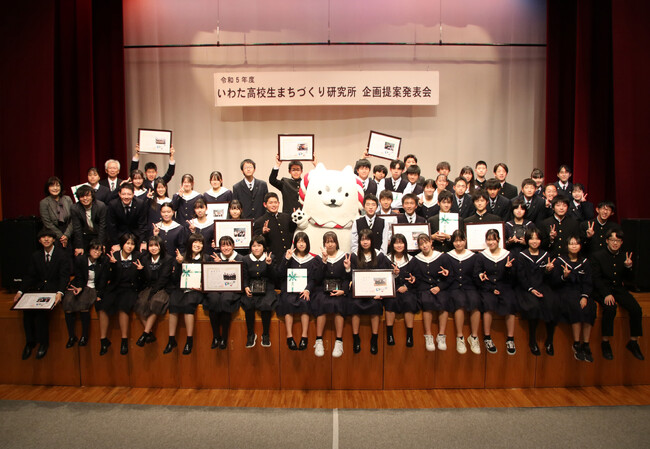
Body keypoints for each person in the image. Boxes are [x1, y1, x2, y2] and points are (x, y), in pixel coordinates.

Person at [13, 229, 70, 360]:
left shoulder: (62, 255)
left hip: (54, 290)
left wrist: (60, 292)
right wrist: (20, 291)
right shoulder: (36, 255)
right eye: (43, 237)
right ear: (39, 240)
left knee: (41, 313)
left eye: (49, 237)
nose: (46, 239)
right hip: (38, 289)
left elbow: (64, 276)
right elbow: (30, 276)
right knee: (27, 312)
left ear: (54, 239)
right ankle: (30, 342)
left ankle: (43, 343)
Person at [590, 229, 644, 360]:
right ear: (607, 241)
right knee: (610, 308)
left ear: (621, 242)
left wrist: (628, 267)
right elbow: (596, 279)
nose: (615, 243)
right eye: (613, 240)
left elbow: (630, 279)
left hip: (619, 289)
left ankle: (633, 342)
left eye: (618, 241)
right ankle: (605, 342)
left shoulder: (625, 256)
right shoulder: (597, 256)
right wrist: (606, 294)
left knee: (636, 309)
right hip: (602, 289)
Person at [515, 228, 560, 356]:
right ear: (527, 240)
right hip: (526, 288)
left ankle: (550, 340)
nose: (534, 241)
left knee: (552, 304)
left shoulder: (546, 255)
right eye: (531, 238)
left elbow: (549, 279)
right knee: (533, 306)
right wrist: (531, 289)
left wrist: (548, 271)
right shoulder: (522, 255)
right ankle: (532, 340)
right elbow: (521, 277)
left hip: (542, 286)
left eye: (537, 238)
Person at [552, 235, 596, 362]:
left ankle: (586, 344)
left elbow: (588, 282)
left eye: (576, 244)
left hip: (581, 291)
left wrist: (585, 296)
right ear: (567, 246)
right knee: (575, 306)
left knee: (590, 307)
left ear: (580, 246)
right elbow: (554, 282)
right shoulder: (560, 261)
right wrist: (564, 276)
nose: (574, 246)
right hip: (565, 291)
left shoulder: (585, 262)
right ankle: (576, 343)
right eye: (571, 244)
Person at [474, 229, 517, 355]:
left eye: (493, 239)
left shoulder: (508, 255)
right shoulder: (482, 256)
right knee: (488, 303)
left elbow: (513, 278)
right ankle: (487, 337)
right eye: (488, 240)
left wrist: (508, 269)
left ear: (498, 240)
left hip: (504, 286)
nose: (491, 242)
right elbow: (476, 274)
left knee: (510, 302)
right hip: (487, 287)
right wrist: (482, 277)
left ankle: (510, 339)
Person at [349, 229, 392, 354]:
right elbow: (350, 276)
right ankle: (356, 338)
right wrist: (348, 271)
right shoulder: (354, 256)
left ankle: (374, 338)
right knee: (354, 305)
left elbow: (384, 276)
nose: (365, 242)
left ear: (372, 241)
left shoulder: (380, 256)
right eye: (362, 239)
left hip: (375, 294)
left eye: (367, 239)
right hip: (359, 293)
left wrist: (380, 292)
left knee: (376, 305)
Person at [276, 232, 322, 350]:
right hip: (290, 290)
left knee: (305, 302)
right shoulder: (289, 256)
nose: (301, 244)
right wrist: (286, 259)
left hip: (304, 290)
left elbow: (313, 278)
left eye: (304, 241)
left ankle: (304, 336)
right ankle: (289, 337)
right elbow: (280, 273)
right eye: (299, 242)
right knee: (287, 301)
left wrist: (307, 290)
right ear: (295, 243)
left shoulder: (313, 259)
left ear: (307, 243)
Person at [99, 233, 141, 356]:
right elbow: (107, 277)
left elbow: (140, 277)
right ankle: (103, 340)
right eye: (127, 243)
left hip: (130, 288)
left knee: (123, 306)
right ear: (122, 244)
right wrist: (113, 265)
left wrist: (141, 270)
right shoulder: (114, 256)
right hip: (115, 287)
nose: (130, 246)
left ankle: (124, 340)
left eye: (132, 244)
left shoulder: (138, 256)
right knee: (103, 306)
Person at [165, 233, 207, 355]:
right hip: (182, 288)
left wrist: (202, 287)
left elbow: (210, 277)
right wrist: (179, 264)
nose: (197, 245)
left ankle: (189, 340)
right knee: (173, 304)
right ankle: (171, 339)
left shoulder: (207, 258)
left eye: (200, 243)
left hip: (197, 290)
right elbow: (175, 279)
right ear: (190, 244)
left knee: (189, 305)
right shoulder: (182, 257)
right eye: (195, 242)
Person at [442, 230, 482, 354]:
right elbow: (446, 275)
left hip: (469, 286)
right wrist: (446, 274)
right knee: (459, 302)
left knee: (475, 301)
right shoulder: (447, 256)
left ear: (465, 241)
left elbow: (475, 274)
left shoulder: (474, 256)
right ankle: (460, 337)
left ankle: (474, 337)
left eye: (461, 240)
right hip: (454, 286)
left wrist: (481, 275)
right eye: (455, 241)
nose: (458, 243)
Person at [62, 239, 108, 349]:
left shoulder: (104, 261)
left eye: (99, 250)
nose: (97, 252)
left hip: (93, 287)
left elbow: (103, 280)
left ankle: (84, 335)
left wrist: (100, 295)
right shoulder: (80, 259)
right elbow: (79, 276)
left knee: (83, 304)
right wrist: (79, 287)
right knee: (67, 302)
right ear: (89, 250)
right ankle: (71, 336)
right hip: (80, 284)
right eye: (94, 249)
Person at [312, 232, 350, 357]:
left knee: (340, 303)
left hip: (340, 289)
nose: (330, 244)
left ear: (336, 243)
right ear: (324, 244)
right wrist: (324, 261)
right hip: (322, 289)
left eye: (332, 241)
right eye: (327, 242)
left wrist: (343, 290)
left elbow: (348, 278)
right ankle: (318, 340)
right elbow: (317, 278)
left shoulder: (345, 257)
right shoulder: (318, 258)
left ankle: (339, 341)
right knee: (321, 302)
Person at [204, 236, 244, 350]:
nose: (226, 248)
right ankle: (216, 336)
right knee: (213, 299)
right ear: (219, 247)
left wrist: (235, 267)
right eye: (223, 245)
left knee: (225, 300)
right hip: (216, 288)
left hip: (232, 289)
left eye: (228, 245)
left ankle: (224, 337)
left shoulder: (240, 258)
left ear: (233, 246)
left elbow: (243, 277)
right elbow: (209, 276)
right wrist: (217, 264)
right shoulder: (214, 257)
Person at [411, 233, 449, 352]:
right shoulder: (416, 259)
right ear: (418, 246)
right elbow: (417, 278)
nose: (424, 246)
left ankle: (441, 335)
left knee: (444, 301)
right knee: (426, 302)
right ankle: (428, 335)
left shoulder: (442, 257)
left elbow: (450, 276)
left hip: (439, 287)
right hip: (424, 288)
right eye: (421, 244)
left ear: (431, 242)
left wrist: (440, 286)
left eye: (426, 242)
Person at [133, 236, 174, 348]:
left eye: (156, 245)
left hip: (163, 287)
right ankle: (149, 333)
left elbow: (164, 278)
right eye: (151, 245)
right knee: (140, 303)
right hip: (149, 286)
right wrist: (140, 271)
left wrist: (153, 292)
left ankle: (145, 334)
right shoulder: (144, 259)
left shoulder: (168, 259)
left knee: (156, 301)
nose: (153, 248)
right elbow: (143, 278)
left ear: (161, 247)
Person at [241, 235, 277, 348]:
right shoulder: (245, 259)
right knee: (248, 303)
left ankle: (265, 334)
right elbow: (244, 276)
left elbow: (275, 276)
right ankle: (250, 335)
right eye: (254, 246)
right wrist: (245, 286)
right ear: (250, 247)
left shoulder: (270, 257)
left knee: (266, 304)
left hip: (267, 286)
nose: (256, 248)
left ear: (264, 247)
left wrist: (269, 265)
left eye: (259, 245)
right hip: (251, 286)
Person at [385, 234, 418, 347]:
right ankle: (389, 334)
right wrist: (394, 275)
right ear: (392, 245)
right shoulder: (386, 259)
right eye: (396, 243)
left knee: (409, 301)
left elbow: (416, 276)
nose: (399, 245)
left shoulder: (412, 260)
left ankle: (410, 334)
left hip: (408, 289)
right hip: (391, 289)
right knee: (390, 301)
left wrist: (408, 285)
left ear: (405, 244)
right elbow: (382, 278)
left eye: (401, 243)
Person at [253, 192, 295, 269]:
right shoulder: (260, 221)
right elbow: (257, 243)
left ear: (279, 203)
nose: (273, 205)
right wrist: (263, 233)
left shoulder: (286, 217)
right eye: (271, 203)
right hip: (273, 260)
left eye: (275, 202)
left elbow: (293, 232)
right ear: (265, 204)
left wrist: (296, 218)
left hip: (289, 257)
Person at [107, 183, 148, 251]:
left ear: (133, 194)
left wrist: (143, 241)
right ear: (119, 194)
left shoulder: (140, 204)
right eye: (123, 194)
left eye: (129, 194)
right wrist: (115, 243)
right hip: (119, 237)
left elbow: (142, 224)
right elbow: (111, 226)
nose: (126, 197)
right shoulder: (113, 204)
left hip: (136, 237)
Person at [39, 176, 74, 251]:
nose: (55, 188)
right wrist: (61, 236)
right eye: (52, 186)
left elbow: (73, 218)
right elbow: (47, 223)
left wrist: (66, 235)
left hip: (69, 232)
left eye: (57, 185)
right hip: (53, 234)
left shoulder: (67, 199)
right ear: (48, 188)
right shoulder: (44, 202)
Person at [71, 184, 107, 254]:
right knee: (80, 255)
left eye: (87, 196)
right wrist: (79, 246)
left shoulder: (100, 206)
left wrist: (100, 244)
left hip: (98, 234)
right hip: (84, 235)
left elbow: (102, 227)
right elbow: (77, 228)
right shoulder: (75, 208)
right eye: (82, 196)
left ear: (92, 196)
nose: (85, 198)